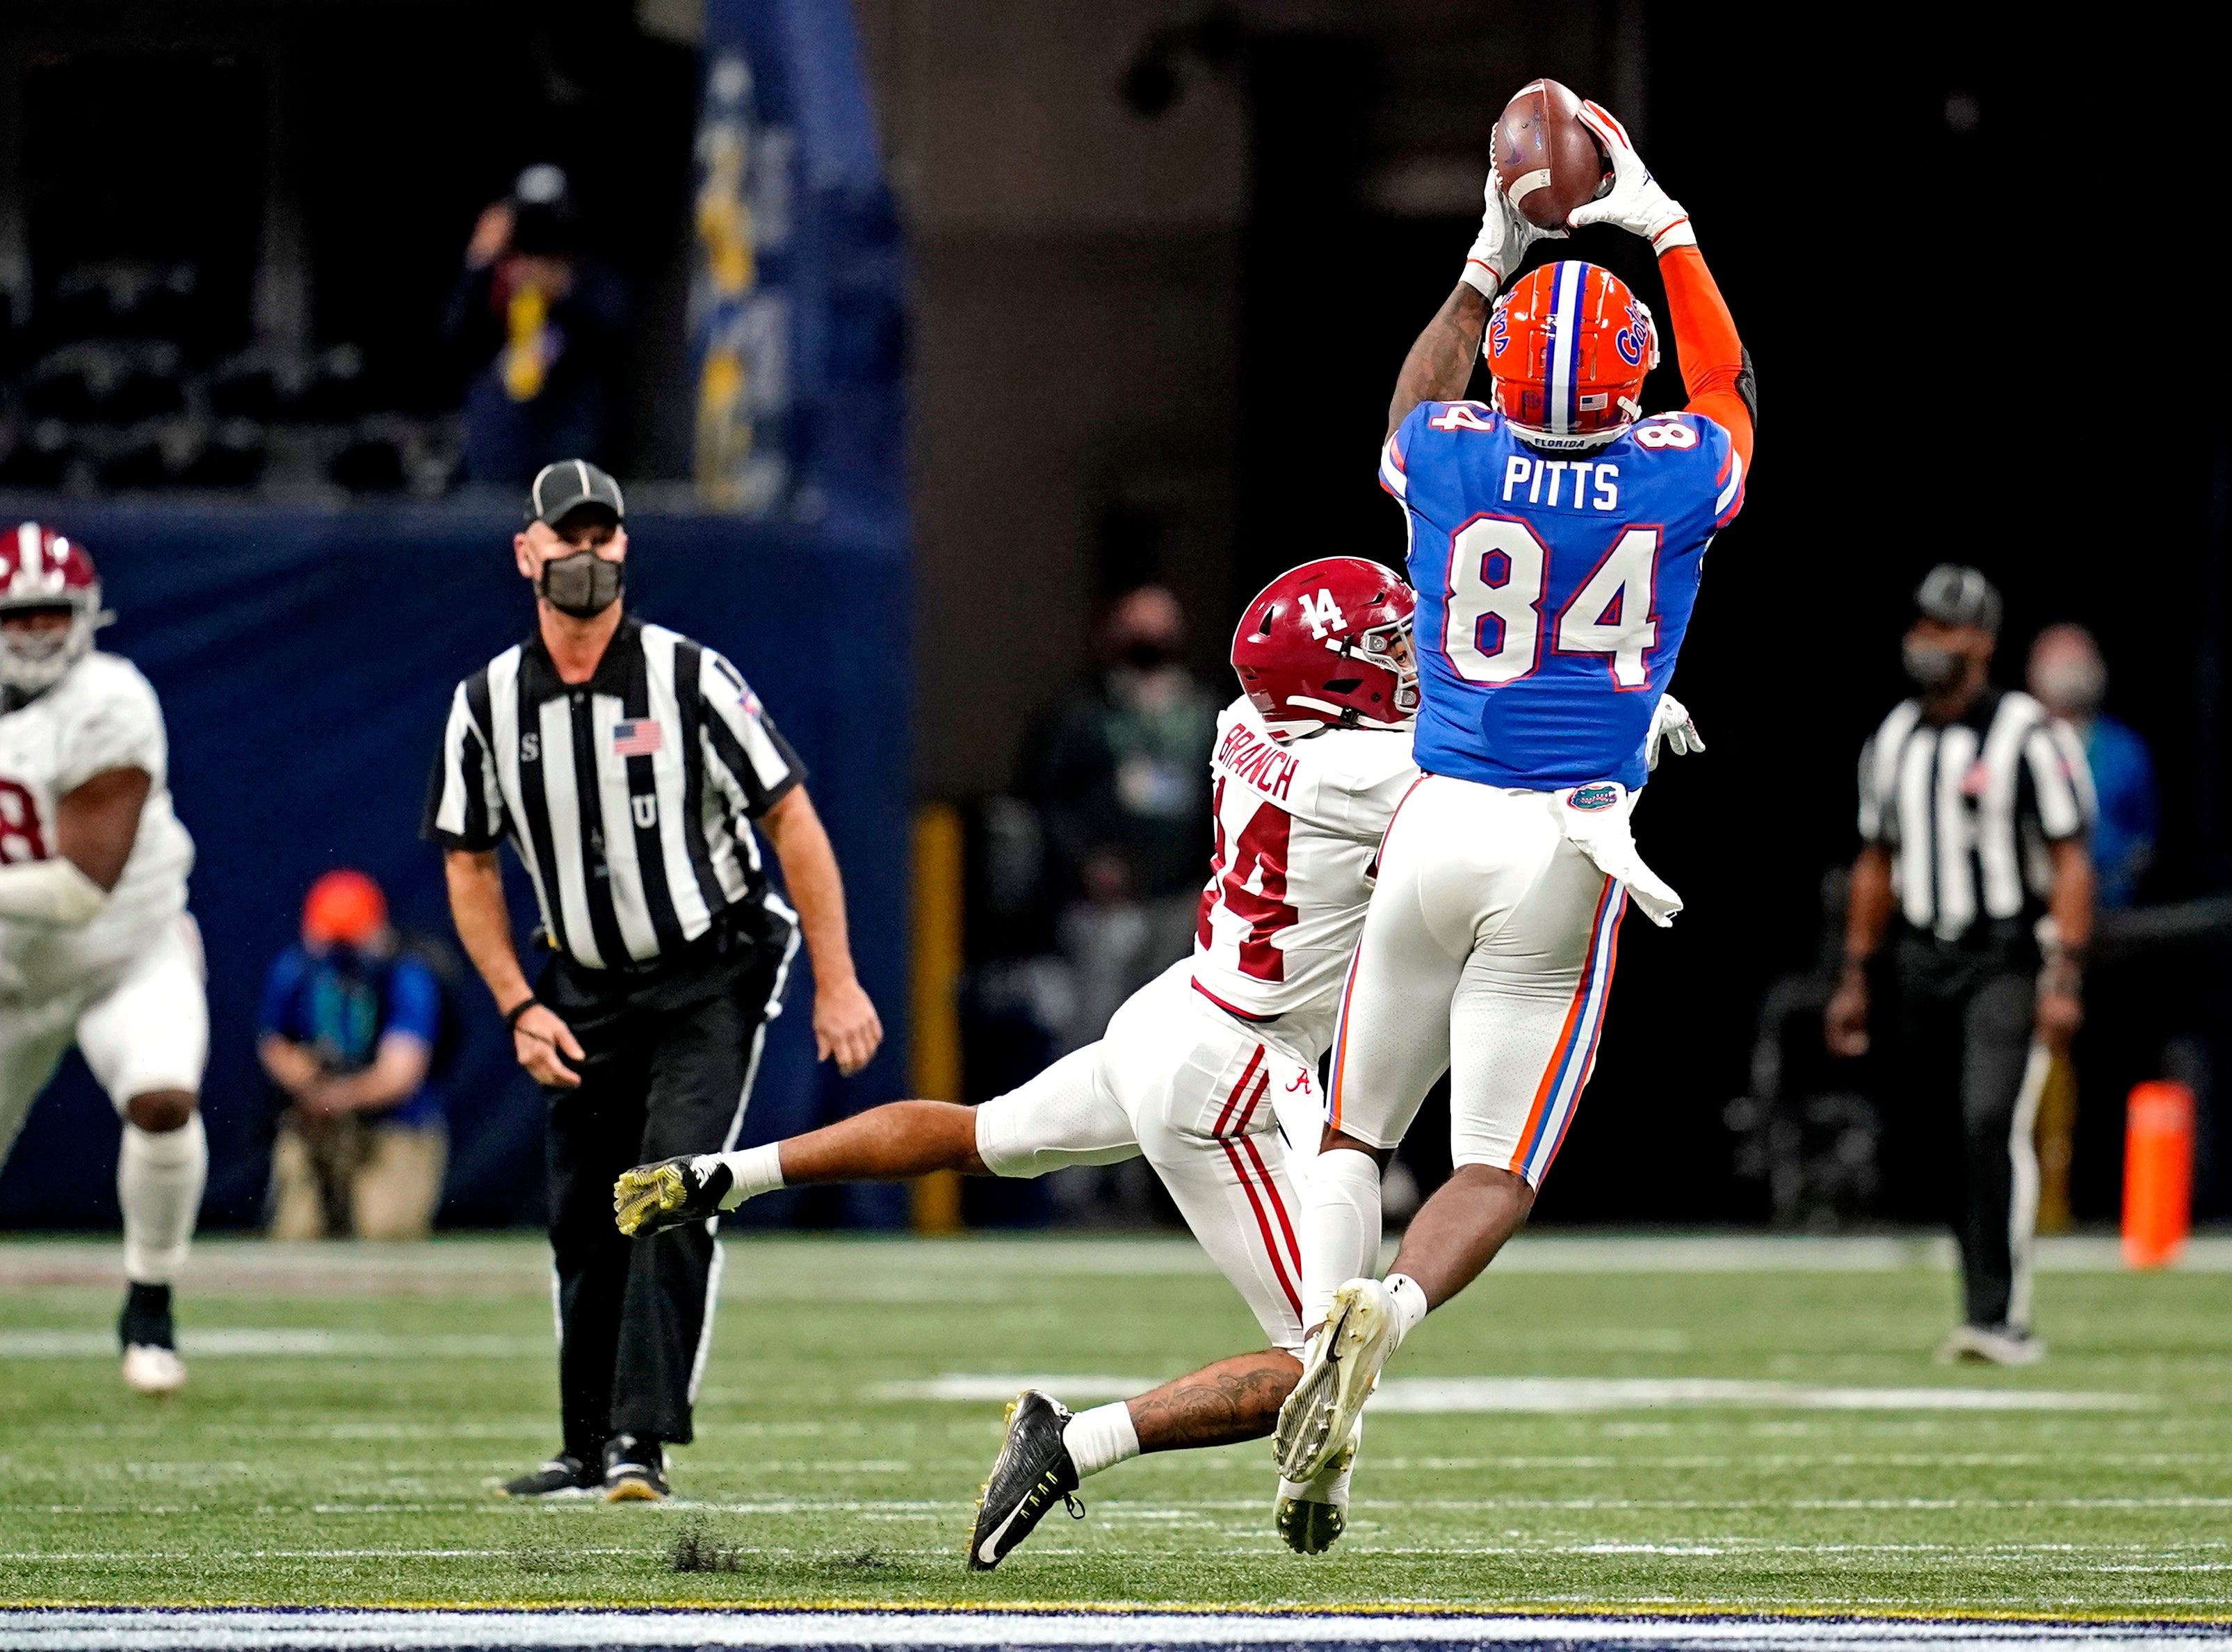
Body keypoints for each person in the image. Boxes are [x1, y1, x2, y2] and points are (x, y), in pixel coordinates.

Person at [610, 556, 1706, 1564]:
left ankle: (725, 1175)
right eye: (1386, 650)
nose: (1411, 662)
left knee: (980, 1133)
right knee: (1315, 1365)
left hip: (1171, 1013)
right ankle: (1069, 1441)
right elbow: (1503, 790)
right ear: (1330, 681)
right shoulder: (1363, 769)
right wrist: (1614, 715)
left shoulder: (1244, 720)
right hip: (1230, 1069)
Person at [1271, 101, 1756, 1491]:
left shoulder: (1452, 453)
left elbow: (1408, 404)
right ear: (1630, 379)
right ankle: (1394, 1311)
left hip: (1435, 822)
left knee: (1358, 1131)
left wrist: (1487, 257)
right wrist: (1662, 220)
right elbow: (1731, 396)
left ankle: (1320, 1352)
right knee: (1491, 1170)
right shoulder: (1668, 477)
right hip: (1563, 845)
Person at [424, 459, 882, 1502]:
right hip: (578, 985)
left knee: (669, 1185)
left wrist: (837, 977)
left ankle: (641, 1442)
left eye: (601, 537)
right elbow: (467, 860)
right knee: (581, 1213)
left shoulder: (690, 677)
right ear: (526, 551)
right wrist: (515, 1003)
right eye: (564, 537)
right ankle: (584, 1444)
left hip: (705, 972)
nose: (583, 556)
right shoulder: (487, 703)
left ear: (622, 549)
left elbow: (791, 820)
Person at [1822, 566, 2093, 1363]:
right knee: (1943, 1135)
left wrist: (2065, 973)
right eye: (1921, 626)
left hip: (2004, 956)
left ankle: (2001, 1315)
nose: (1925, 644)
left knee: (1989, 1121)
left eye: (1943, 628)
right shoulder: (1895, 737)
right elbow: (1878, 861)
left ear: (1981, 640)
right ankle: (1977, 1304)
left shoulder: (2028, 734)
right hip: (1920, 957)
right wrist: (1856, 975)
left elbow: (2070, 859)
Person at [0, 521, 209, 1396]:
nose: (43, 631)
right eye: (25, 614)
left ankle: (149, 1303)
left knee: (161, 1098)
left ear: (87, 615)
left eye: (57, 613)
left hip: (125, 945)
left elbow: (85, 886)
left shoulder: (111, 699)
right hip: (9, 978)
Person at [1024, 584, 1219, 1053]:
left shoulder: (1203, 710)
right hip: (1103, 902)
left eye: (1160, 628)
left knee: (1172, 1031)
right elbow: (1048, 799)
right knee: (1095, 1031)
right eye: (1138, 628)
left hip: (1181, 897)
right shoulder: (1082, 711)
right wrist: (1085, 861)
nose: (1150, 639)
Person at [259, 869, 450, 1241]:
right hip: (317, 1122)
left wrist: (338, 1098)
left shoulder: (406, 974)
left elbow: (402, 1072)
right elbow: (274, 1041)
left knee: (385, 1233)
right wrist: (305, 1077)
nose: (341, 954)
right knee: (296, 1234)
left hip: (394, 1125)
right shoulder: (298, 968)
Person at [444, 165, 630, 487]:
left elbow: (615, 325)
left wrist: (563, 289)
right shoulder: (493, 275)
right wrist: (479, 260)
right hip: (502, 423)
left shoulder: (587, 275)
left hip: (567, 420)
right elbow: (453, 331)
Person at [2028, 624, 2154, 910]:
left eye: (2080, 660)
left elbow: (2144, 836)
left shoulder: (2126, 749)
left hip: (2113, 908)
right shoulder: (2019, 746)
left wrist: (2111, 881)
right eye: (2061, 661)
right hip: (2035, 908)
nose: (2071, 671)